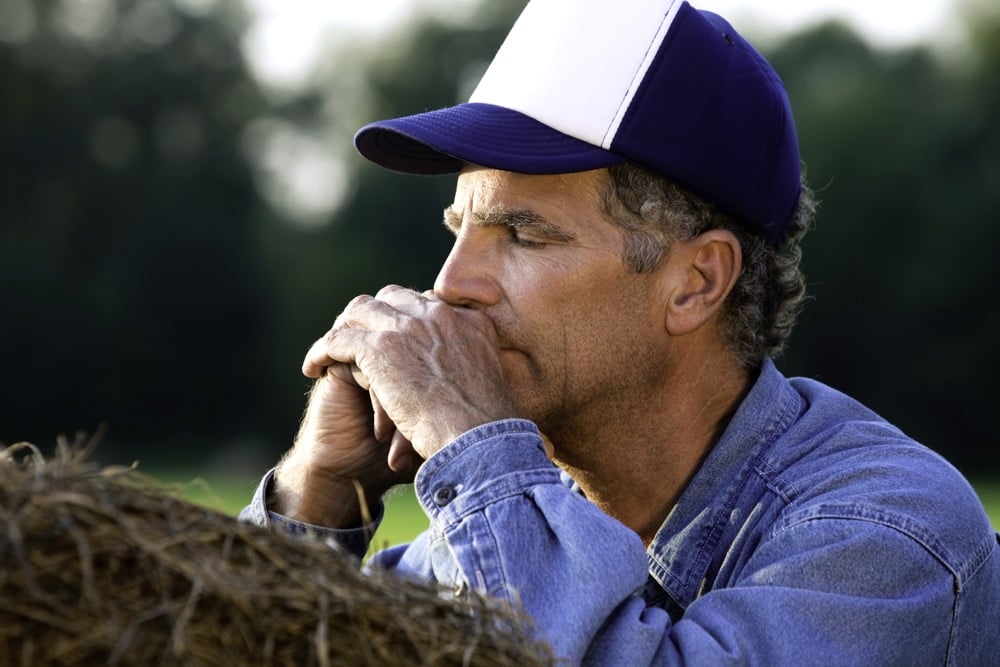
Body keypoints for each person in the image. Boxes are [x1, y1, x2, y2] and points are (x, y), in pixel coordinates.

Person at [241, 0, 1000, 663]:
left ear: (697, 282)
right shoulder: (480, 548)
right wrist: (319, 499)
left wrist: (468, 442)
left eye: (523, 234)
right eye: (459, 227)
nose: (450, 284)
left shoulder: (887, 536)